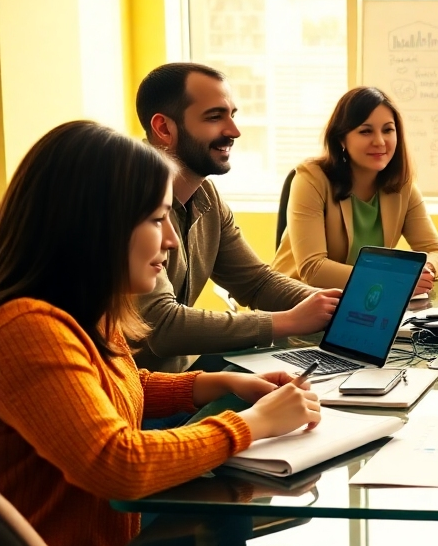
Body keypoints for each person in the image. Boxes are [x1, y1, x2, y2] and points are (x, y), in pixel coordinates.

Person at [0, 121, 322, 546]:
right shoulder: (28, 329)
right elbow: (117, 462)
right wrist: (253, 424)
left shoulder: (87, 313)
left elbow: (114, 392)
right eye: (156, 219)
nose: (171, 240)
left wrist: (218, 384)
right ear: (96, 227)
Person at [134, 63, 341, 373]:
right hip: (132, 396)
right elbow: (160, 327)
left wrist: (337, 306)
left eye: (233, 115)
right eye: (215, 117)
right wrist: (286, 322)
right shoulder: (126, 195)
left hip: (179, 380)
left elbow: (256, 283)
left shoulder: (206, 196)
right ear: (164, 128)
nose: (234, 131)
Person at [271, 86, 438, 294]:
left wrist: (424, 269)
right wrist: (392, 278)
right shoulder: (311, 178)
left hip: (361, 301)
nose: (380, 141)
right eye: (366, 131)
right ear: (341, 138)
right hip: (297, 302)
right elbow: (313, 269)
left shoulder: (402, 187)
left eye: (388, 130)